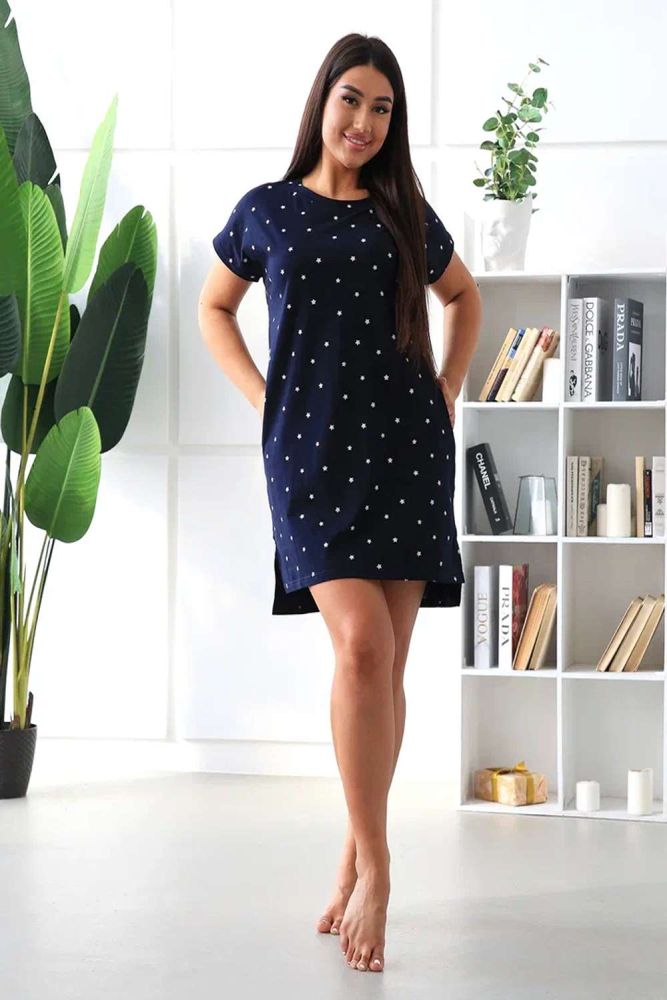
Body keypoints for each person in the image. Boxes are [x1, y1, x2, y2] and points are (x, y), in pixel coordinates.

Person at [198, 33, 481, 974]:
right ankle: (380, 867)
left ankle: (355, 855)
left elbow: (463, 297)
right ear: (322, 100)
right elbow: (213, 307)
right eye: (351, 99)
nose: (363, 121)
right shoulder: (266, 210)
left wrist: (447, 387)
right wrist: (261, 396)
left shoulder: (403, 214)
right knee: (360, 647)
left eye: (382, 108)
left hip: (405, 450)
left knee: (384, 667)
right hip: (310, 456)